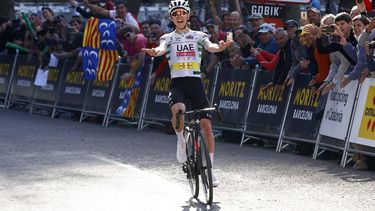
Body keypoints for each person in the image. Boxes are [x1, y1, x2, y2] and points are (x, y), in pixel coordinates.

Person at [142, 0, 232, 187]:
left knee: (207, 125)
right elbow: (160, 50)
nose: (179, 16)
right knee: (179, 109)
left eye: (182, 12)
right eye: (175, 14)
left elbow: (211, 47)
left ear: (188, 14)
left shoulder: (199, 35)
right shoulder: (167, 37)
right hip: (178, 84)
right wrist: (154, 52)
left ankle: (211, 170)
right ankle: (181, 141)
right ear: (171, 17)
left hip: (195, 83)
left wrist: (220, 47)